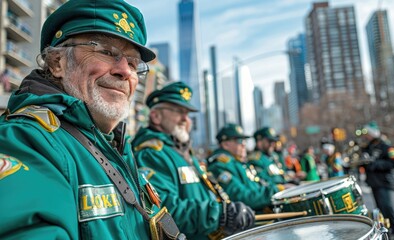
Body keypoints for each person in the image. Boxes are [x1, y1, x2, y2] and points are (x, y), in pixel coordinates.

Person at [0, 1, 186, 239]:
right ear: (58, 63)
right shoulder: (27, 141)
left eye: (132, 63)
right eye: (107, 52)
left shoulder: (116, 147)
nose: (125, 71)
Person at [131, 82, 255, 239]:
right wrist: (220, 214)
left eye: (187, 114)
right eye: (178, 111)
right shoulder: (151, 154)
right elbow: (162, 211)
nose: (185, 119)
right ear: (156, 116)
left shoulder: (181, 151)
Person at [207, 123, 277, 213]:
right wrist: (276, 190)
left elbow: (257, 185)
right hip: (251, 219)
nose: (244, 144)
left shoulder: (238, 163)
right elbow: (241, 198)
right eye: (239, 141)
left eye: (244, 140)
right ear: (225, 144)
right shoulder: (220, 166)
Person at [360, 121, 394, 240]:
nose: (366, 136)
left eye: (367, 133)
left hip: (384, 182)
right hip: (374, 183)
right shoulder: (367, 147)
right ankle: (387, 233)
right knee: (380, 211)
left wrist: (376, 164)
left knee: (387, 209)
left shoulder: (385, 145)